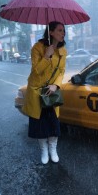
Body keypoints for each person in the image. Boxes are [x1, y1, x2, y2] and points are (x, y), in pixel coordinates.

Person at [22, 21, 67, 165]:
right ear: (51, 32)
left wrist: (56, 85)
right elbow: (36, 72)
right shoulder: (38, 48)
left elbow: (61, 71)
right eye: (59, 30)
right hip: (37, 91)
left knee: (53, 123)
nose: (63, 33)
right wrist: (46, 56)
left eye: (63, 30)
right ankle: (43, 150)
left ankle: (53, 149)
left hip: (51, 92)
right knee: (40, 124)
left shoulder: (63, 51)